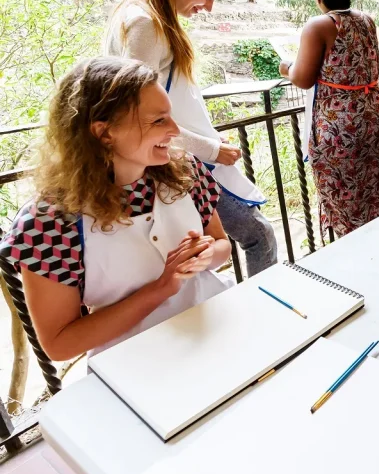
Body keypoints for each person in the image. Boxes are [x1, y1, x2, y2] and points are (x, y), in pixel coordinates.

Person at [0, 58, 234, 359]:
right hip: (134, 363)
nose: (175, 130)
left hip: (217, 325)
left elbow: (222, 246)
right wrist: (161, 288)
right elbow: (60, 344)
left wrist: (204, 256)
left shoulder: (186, 171)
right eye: (159, 120)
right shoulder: (48, 222)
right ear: (105, 133)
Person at [105, 0, 277, 277]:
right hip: (173, 157)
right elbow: (138, 114)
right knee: (258, 233)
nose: (209, 8)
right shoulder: (146, 25)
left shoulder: (148, 18)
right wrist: (208, 149)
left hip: (182, 153)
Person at [278, 0, 379, 236]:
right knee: (376, 194)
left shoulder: (319, 26)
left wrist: (286, 68)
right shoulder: (367, 20)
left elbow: (304, 78)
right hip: (374, 117)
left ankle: (353, 257)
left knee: (346, 200)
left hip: (342, 127)